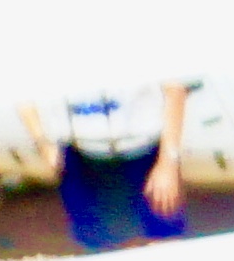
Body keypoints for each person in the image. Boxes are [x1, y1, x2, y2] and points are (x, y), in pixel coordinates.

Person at [22, 86, 193, 251]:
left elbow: (175, 89)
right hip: (81, 156)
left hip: (144, 153)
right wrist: (42, 144)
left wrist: (168, 162)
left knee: (163, 237)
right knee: (99, 243)